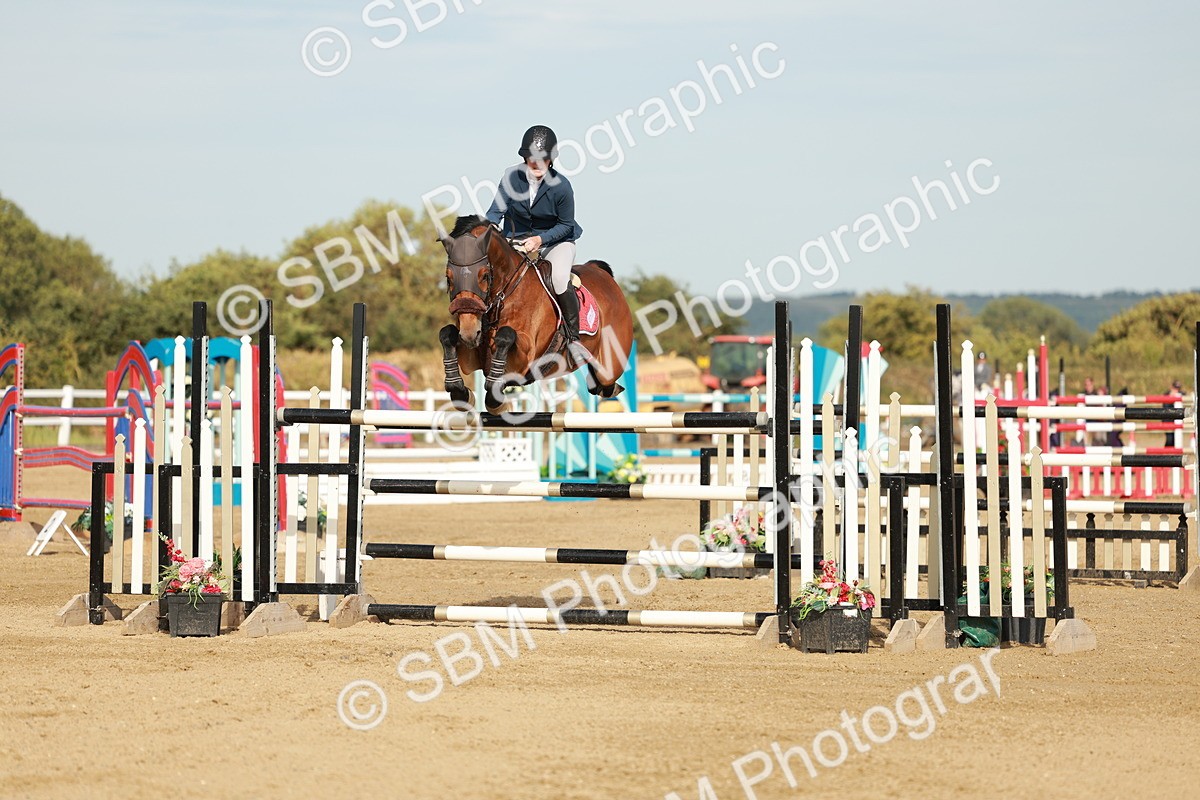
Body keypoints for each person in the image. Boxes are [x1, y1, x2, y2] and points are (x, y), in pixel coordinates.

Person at [485, 125, 585, 349]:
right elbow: (496, 211)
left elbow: (566, 224)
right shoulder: (511, 177)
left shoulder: (562, 187)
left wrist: (540, 241)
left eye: (543, 159)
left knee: (559, 278)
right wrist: (489, 227)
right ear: (525, 158)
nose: (538, 163)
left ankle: (573, 338)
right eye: (533, 158)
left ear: (551, 160)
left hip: (556, 241)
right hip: (517, 241)